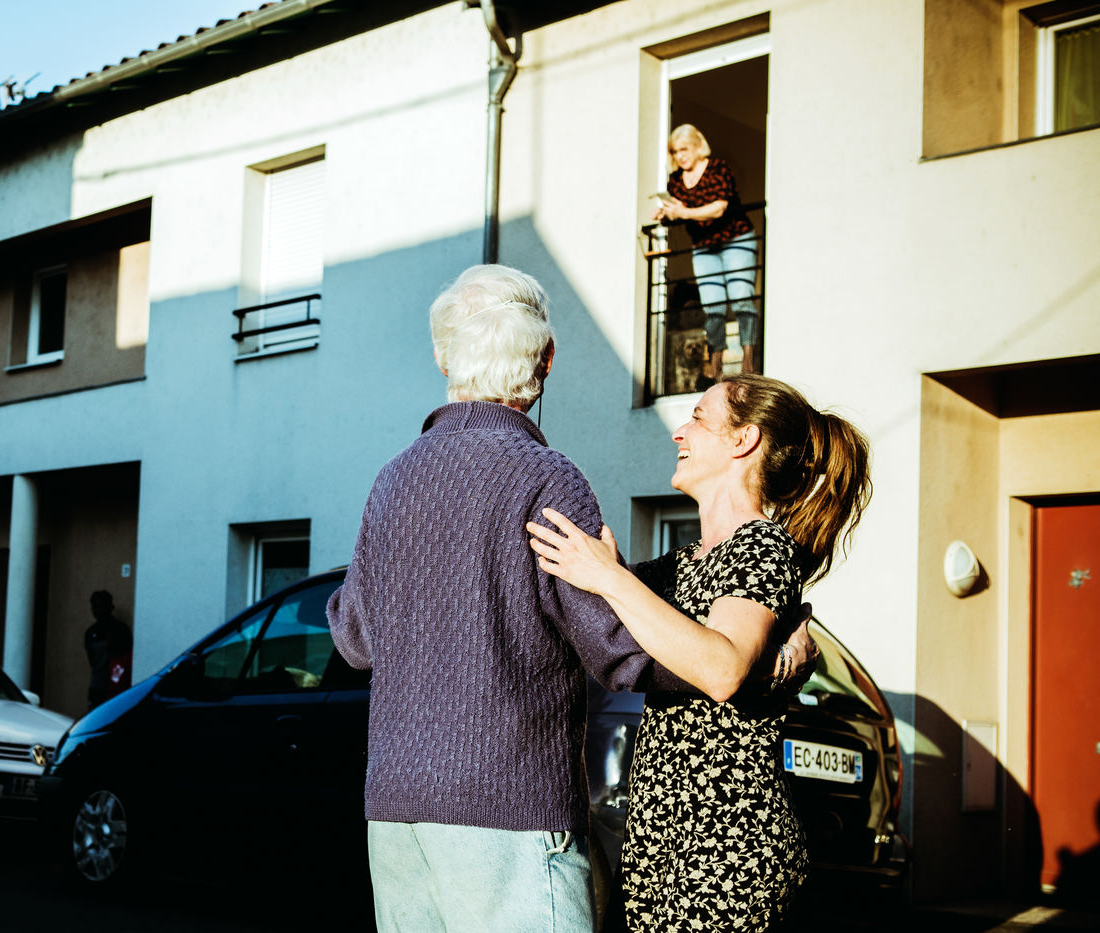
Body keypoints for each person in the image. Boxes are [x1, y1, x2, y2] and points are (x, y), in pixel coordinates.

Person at [326, 265, 812, 932]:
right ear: (546, 359)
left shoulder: (393, 480)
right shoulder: (547, 478)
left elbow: (355, 639)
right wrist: (757, 664)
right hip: (509, 808)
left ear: (442, 357)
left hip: (394, 808)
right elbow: (618, 649)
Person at [527, 374, 872, 932]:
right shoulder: (682, 564)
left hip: (726, 853)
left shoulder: (762, 546)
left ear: (743, 440)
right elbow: (598, 620)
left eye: (698, 418)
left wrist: (610, 578)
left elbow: (722, 668)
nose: (679, 432)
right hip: (663, 849)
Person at [655, 123, 760, 379]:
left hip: (736, 240)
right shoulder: (676, 180)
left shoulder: (718, 169)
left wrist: (683, 213)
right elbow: (677, 209)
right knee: (713, 305)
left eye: (684, 149)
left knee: (741, 297)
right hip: (703, 247)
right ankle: (715, 365)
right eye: (675, 151)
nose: (680, 156)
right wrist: (665, 214)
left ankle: (748, 361)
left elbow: (718, 208)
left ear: (698, 146)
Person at [83, 589, 132, 709]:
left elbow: (128, 659)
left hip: (118, 686)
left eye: (101, 606)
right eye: (94, 607)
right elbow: (92, 661)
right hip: (97, 686)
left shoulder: (121, 629)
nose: (97, 610)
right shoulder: (90, 632)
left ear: (110, 607)